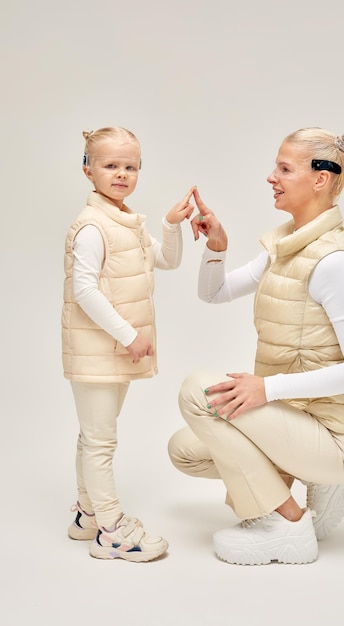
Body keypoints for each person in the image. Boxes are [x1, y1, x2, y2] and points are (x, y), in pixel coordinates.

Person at [168, 127, 344, 565]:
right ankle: (317, 483)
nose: (271, 177)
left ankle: (286, 524)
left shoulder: (334, 262)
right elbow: (214, 292)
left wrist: (267, 389)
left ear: (319, 179)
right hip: (301, 419)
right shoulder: (285, 246)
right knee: (184, 451)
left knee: (198, 390)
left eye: (284, 169)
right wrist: (217, 247)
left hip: (340, 436)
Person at [63, 126, 195, 562]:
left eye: (130, 166)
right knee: (100, 442)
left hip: (113, 353)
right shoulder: (91, 227)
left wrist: (171, 225)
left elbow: (167, 260)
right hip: (99, 352)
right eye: (110, 165)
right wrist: (129, 335)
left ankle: (87, 514)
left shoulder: (127, 223)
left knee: (93, 437)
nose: (121, 174)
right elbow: (84, 290)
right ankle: (112, 530)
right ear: (88, 170)